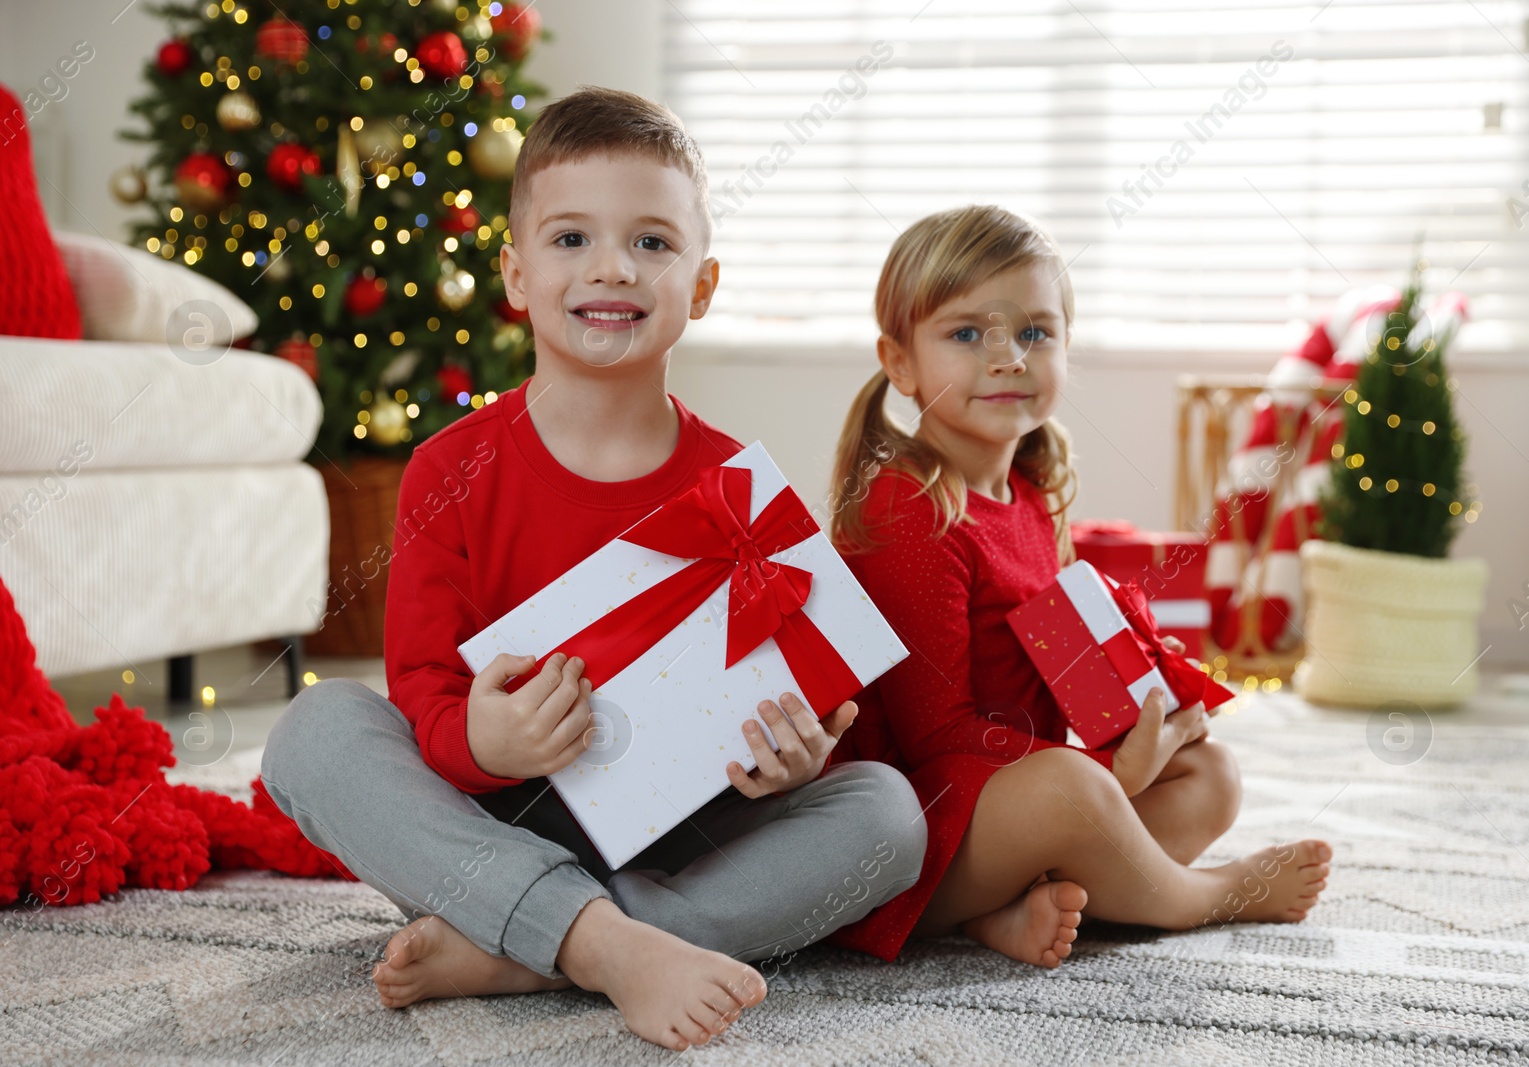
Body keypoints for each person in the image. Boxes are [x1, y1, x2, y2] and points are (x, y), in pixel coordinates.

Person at [260, 86, 927, 1053]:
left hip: (677, 836)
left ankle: (536, 943)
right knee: (314, 730)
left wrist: (790, 766)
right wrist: (483, 742)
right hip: (489, 817)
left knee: (888, 815)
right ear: (517, 273)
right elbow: (424, 694)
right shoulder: (446, 471)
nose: (611, 266)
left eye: (652, 243)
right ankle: (608, 943)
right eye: (571, 239)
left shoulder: (738, 487)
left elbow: (778, 703)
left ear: (700, 286)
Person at [823, 203, 1333, 966]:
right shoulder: (908, 506)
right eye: (967, 334)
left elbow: (1066, 669)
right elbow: (935, 737)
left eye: (1034, 331)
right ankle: (1199, 895)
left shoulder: (1029, 493)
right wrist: (1103, 775)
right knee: (1067, 783)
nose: (1008, 357)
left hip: (1015, 802)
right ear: (900, 363)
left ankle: (1003, 910)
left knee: (1211, 774)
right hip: (917, 826)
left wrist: (1142, 723)